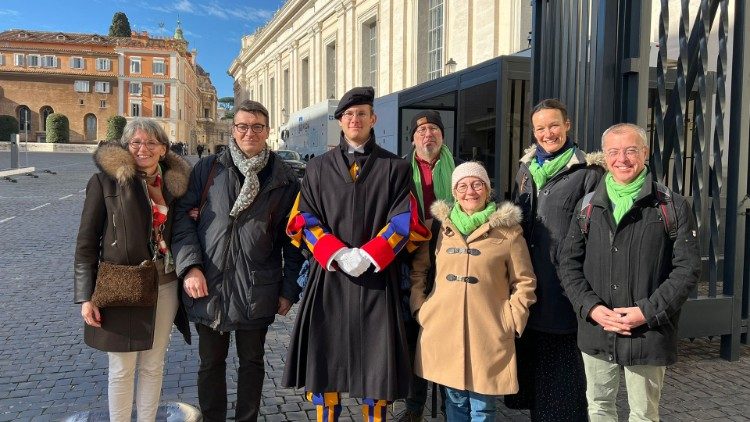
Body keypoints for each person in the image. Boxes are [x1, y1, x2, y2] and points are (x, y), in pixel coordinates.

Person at [282, 86, 430, 422]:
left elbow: (406, 220)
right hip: (330, 277)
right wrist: (336, 252)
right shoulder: (317, 169)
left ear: (372, 119)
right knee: (326, 365)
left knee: (376, 369)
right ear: (340, 122)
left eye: (361, 113)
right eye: (348, 115)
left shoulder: (395, 168)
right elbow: (303, 218)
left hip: (378, 278)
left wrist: (370, 254)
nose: (355, 119)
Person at [171, 100, 304, 422]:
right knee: (210, 364)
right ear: (233, 129)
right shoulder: (208, 169)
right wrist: (190, 267)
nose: (249, 133)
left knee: (252, 363)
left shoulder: (284, 179)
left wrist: (288, 290)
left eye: (257, 127)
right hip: (209, 284)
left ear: (267, 131)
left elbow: (294, 240)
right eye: (242, 126)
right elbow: (182, 220)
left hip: (256, 287)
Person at [559, 123, 701, 421]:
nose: (621, 158)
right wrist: (592, 308)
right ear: (605, 156)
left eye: (630, 150)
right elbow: (568, 264)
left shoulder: (671, 205)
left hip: (647, 331)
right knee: (599, 406)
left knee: (644, 413)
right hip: (598, 328)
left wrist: (647, 312)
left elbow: (686, 269)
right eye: (613, 151)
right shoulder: (587, 205)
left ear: (645, 153)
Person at [74, 118, 192, 422]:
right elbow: (87, 241)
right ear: (125, 147)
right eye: (136, 142)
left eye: (152, 143)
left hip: (166, 284)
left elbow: (182, 230)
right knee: (122, 368)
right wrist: (85, 295)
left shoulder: (175, 186)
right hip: (122, 285)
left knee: (154, 364)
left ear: (163, 149)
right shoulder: (105, 182)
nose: (143, 149)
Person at [410, 162, 537, 421]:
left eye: (478, 184)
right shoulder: (438, 228)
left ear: (488, 190)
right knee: (454, 403)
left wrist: (512, 320)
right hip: (443, 329)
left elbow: (524, 281)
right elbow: (419, 272)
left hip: (489, 332)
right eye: (463, 186)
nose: (471, 191)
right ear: (454, 192)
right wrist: (421, 309)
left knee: (483, 408)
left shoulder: (508, 231)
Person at [505, 99, 605, 420]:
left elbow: (596, 236)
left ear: (567, 125)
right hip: (528, 293)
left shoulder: (588, 173)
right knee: (536, 388)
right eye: (540, 128)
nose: (547, 133)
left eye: (553, 125)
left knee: (565, 389)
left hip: (563, 294)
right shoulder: (526, 169)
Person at [398, 109, 459, 421]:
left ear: (443, 137)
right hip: (410, 259)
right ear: (412, 139)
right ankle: (414, 404)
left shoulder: (460, 171)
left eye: (434, 129)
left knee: (450, 334)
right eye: (421, 131)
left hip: (451, 258)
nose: (428, 135)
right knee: (414, 333)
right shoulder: (399, 171)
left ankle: (453, 404)